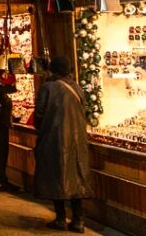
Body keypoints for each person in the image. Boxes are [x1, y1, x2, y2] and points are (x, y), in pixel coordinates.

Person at [33, 55, 91, 233]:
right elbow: (85, 110)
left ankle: (60, 218)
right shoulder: (77, 87)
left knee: (55, 176)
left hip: (54, 138)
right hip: (77, 139)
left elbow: (39, 115)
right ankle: (78, 219)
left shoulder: (48, 88)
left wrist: (42, 130)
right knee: (76, 177)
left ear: (52, 69)